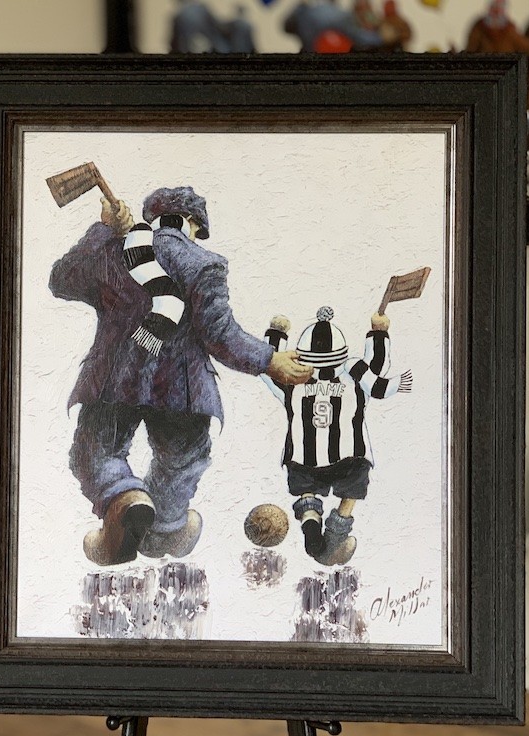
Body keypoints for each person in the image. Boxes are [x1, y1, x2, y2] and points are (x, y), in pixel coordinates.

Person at [49, 186, 311, 566]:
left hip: (112, 380)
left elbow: (61, 280)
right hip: (182, 389)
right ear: (193, 224)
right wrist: (270, 360)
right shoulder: (204, 263)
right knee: (181, 462)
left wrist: (103, 230)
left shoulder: (114, 251)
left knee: (97, 452)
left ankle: (123, 497)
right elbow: (220, 334)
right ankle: (166, 530)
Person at [259, 307, 412, 566]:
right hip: (349, 455)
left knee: (306, 488)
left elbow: (268, 367)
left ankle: (310, 524)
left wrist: (276, 333)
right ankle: (333, 539)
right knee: (353, 486)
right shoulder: (355, 375)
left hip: (303, 458)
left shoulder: (291, 380)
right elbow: (377, 367)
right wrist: (378, 332)